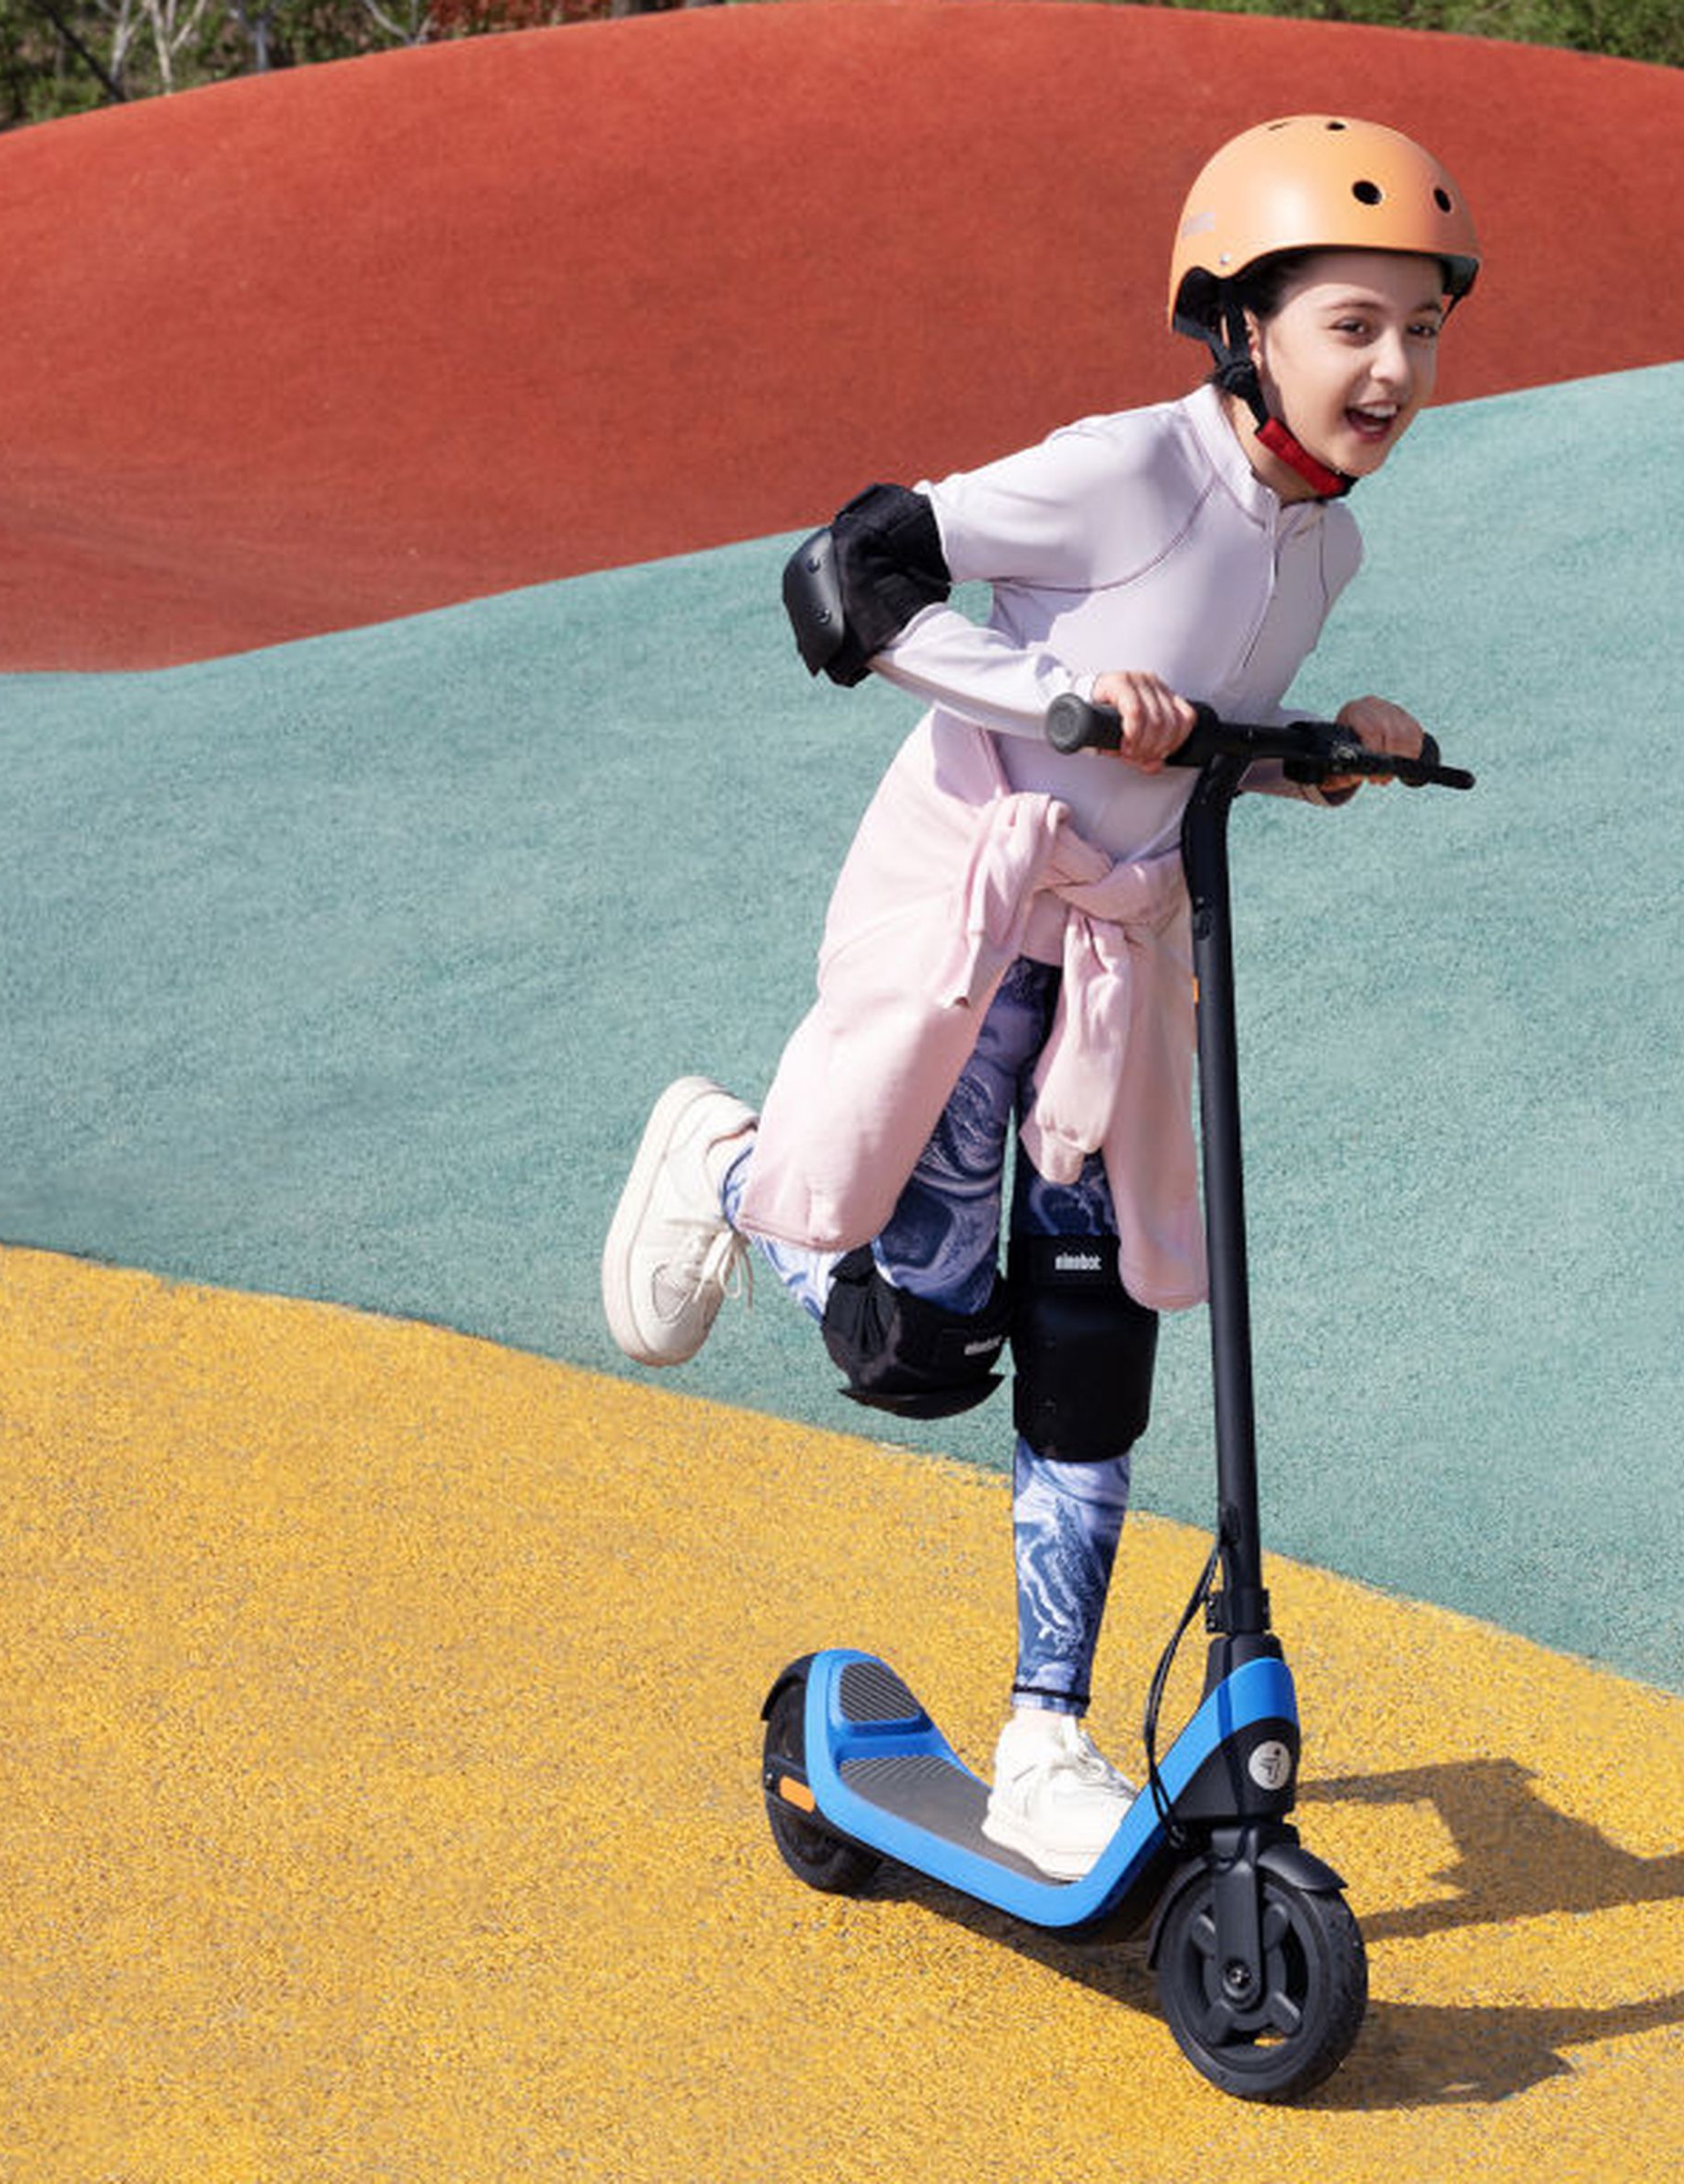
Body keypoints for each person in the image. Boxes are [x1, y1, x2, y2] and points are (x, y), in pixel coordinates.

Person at [602, 115, 1481, 1880]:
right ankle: (722, 1167)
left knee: (1096, 1344)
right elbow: (848, 572)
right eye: (1352, 326)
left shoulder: (1326, 551)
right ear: (1240, 325)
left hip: (1116, 967)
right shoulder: (1129, 474)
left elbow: (1190, 751)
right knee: (914, 1346)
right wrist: (1056, 698)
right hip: (970, 928)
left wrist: (1318, 753)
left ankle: (1045, 1739)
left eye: (1422, 330)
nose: (1393, 368)